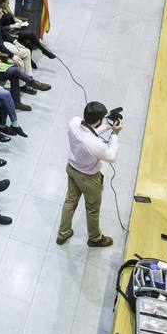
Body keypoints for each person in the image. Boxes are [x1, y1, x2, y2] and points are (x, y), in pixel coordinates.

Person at [56, 101, 121, 247]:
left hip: (72, 168)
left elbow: (89, 132)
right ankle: (95, 238)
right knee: (92, 209)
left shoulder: (74, 122)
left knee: (70, 201)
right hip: (88, 178)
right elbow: (111, 156)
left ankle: (63, 233)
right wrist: (115, 134)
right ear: (98, 120)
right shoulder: (94, 144)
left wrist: (107, 126)